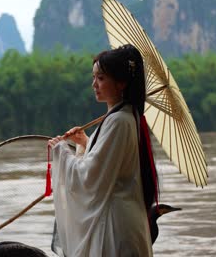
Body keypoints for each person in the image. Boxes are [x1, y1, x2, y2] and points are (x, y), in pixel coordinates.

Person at [48, 44, 159, 256]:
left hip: (114, 226)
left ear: (121, 83)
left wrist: (61, 151)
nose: (94, 84)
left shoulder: (118, 120)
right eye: (94, 78)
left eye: (101, 78)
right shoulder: (124, 117)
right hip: (124, 220)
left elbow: (91, 177)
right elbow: (110, 163)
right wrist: (85, 144)